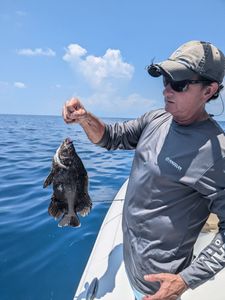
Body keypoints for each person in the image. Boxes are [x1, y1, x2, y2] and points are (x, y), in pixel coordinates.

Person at [62, 40, 225, 300]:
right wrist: (84, 117)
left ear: (209, 90)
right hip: (131, 263)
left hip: (157, 288)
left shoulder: (217, 155)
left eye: (179, 83)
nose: (167, 91)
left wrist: (184, 280)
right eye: (166, 80)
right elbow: (111, 137)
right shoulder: (155, 119)